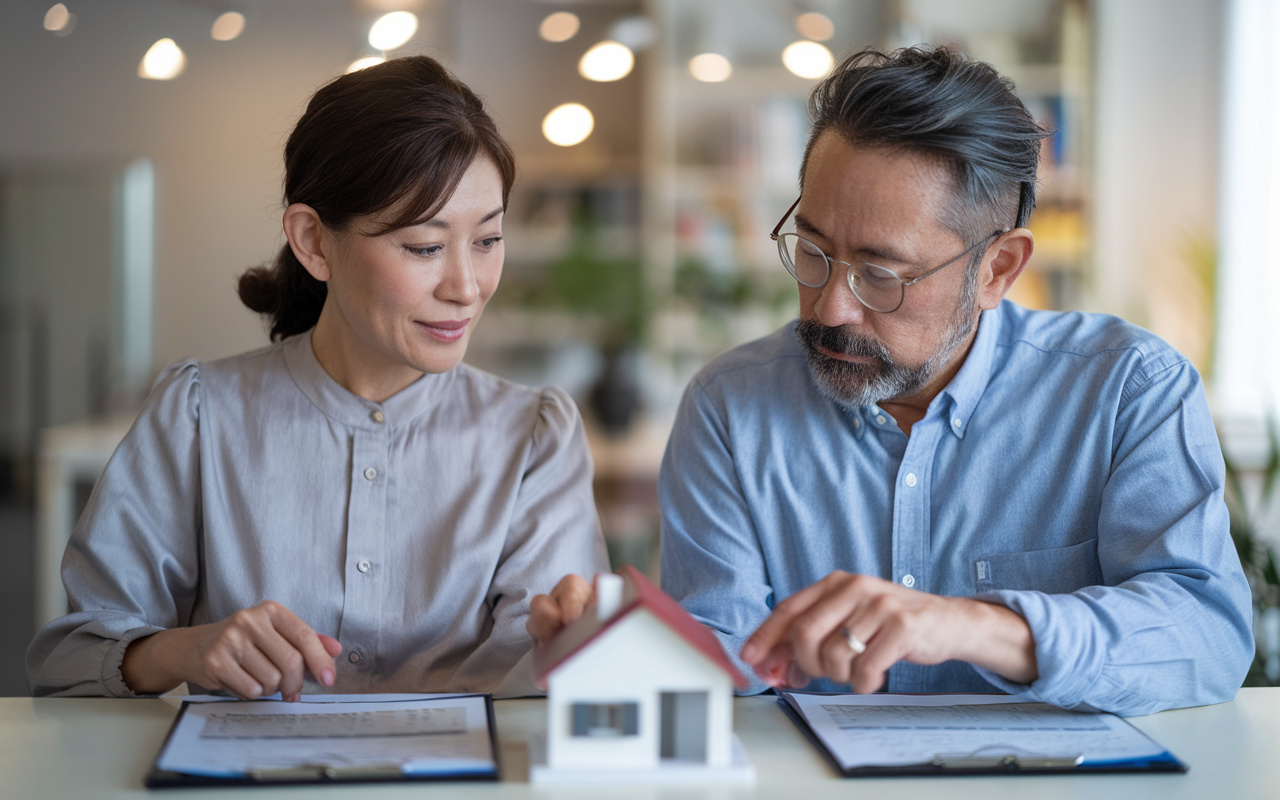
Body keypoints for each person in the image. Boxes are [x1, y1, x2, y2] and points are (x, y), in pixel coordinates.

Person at [534, 46, 1254, 717]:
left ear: (998, 269)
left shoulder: (1127, 390)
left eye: (880, 274)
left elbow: (1207, 637)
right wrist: (623, 641)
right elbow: (729, 661)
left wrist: (973, 626)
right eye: (812, 250)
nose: (829, 307)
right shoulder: (731, 407)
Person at [27, 56, 608, 700]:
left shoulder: (533, 437)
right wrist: (179, 648)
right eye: (424, 246)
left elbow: (544, 684)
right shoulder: (199, 414)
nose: (466, 288)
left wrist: (575, 649)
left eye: (488, 240)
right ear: (313, 241)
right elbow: (66, 663)